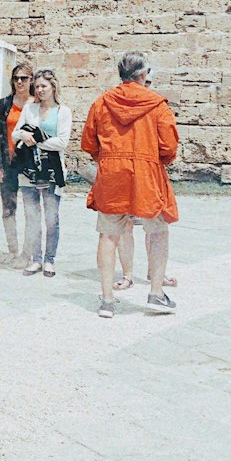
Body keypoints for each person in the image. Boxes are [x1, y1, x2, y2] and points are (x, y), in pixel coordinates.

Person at [81, 51, 179, 319]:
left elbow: (89, 142)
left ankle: (107, 300)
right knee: (158, 230)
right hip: (146, 175)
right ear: (144, 74)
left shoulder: (102, 103)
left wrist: (109, 159)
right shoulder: (158, 105)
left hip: (112, 174)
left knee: (108, 234)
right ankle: (156, 293)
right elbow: (169, 147)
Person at [12, 68, 72, 277]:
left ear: (53, 86)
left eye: (43, 86)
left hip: (52, 171)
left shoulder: (63, 111)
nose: (40, 90)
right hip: (28, 170)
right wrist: (23, 135)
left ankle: (49, 260)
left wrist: (37, 140)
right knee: (32, 216)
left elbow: (62, 142)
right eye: (37, 86)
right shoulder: (30, 109)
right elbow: (14, 135)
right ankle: (35, 258)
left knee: (51, 217)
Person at [0, 63, 33, 266]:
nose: (19, 81)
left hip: (30, 165)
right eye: (16, 77)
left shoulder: (37, 104)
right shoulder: (4, 104)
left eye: (24, 78)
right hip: (8, 163)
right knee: (8, 208)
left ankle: (28, 253)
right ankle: (13, 250)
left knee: (31, 209)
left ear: (31, 80)